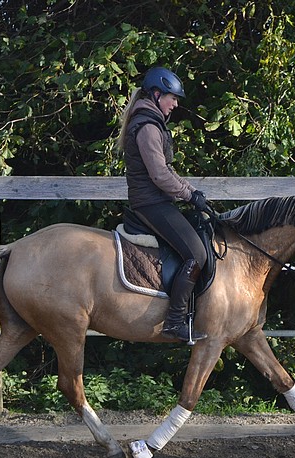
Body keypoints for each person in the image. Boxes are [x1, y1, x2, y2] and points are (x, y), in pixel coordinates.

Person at [118, 66, 211, 343]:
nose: (175, 104)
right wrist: (189, 195)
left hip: (155, 201)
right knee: (198, 255)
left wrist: (192, 192)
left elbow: (167, 172)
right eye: (172, 97)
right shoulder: (147, 126)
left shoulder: (151, 122)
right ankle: (174, 322)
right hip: (151, 203)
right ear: (156, 94)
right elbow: (159, 175)